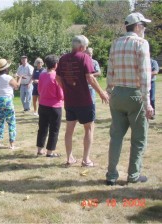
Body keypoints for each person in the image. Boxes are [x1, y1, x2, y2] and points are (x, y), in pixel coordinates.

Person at [106, 12, 153, 185]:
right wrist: (147, 102)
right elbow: (145, 75)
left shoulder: (115, 43)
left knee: (116, 137)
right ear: (138, 26)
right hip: (135, 94)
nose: (145, 29)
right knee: (139, 138)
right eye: (144, 26)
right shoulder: (142, 43)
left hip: (117, 93)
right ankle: (133, 175)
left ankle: (111, 175)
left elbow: (110, 70)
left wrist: (110, 90)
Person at [56, 35, 109, 167]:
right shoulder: (84, 57)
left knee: (69, 130)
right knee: (89, 129)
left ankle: (69, 158)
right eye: (85, 46)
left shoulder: (62, 58)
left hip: (70, 101)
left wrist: (66, 89)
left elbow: (57, 78)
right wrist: (102, 93)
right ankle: (86, 160)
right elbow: (90, 78)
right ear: (81, 47)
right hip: (84, 100)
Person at [36, 55, 64, 157]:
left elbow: (39, 90)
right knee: (54, 129)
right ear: (56, 65)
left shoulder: (42, 75)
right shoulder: (56, 76)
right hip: (54, 106)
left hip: (42, 105)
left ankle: (40, 149)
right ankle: (50, 152)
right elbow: (60, 94)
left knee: (42, 128)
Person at [0, 58, 22, 149]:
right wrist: (19, 78)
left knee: (0, 121)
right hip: (7, 101)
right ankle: (12, 144)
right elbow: (16, 86)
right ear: (5, 69)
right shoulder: (8, 77)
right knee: (11, 122)